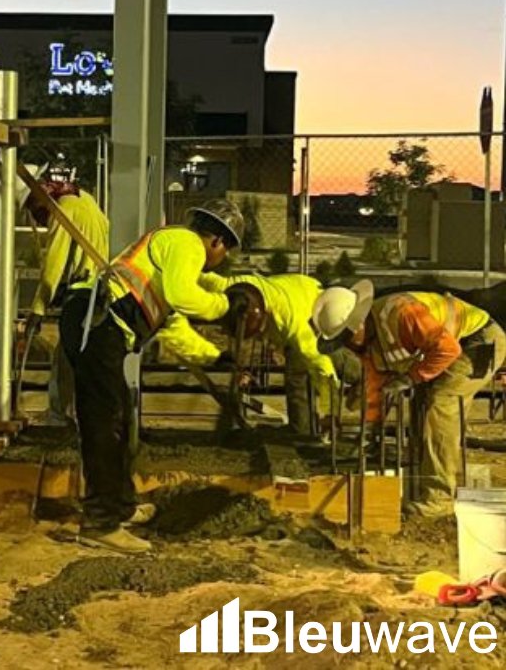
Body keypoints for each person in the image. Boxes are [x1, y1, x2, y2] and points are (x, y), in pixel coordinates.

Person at [58, 198, 245, 553]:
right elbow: (185, 294)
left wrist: (217, 356)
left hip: (94, 321)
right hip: (97, 324)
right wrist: (223, 307)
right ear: (218, 241)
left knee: (120, 419)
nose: (221, 259)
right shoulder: (187, 243)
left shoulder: (171, 256)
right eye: (226, 252)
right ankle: (101, 522)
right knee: (105, 423)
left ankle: (120, 505)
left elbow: (175, 328)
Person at [313, 280, 506, 516]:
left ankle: (440, 498)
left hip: (479, 341)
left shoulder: (403, 312)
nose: (348, 346)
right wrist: (369, 432)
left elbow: (448, 350)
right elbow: (375, 388)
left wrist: (411, 377)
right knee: (420, 403)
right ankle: (420, 481)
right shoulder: (369, 344)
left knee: (440, 404)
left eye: (346, 337)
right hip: (448, 349)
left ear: (359, 324)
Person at [21, 163, 109, 424]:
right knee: (72, 355)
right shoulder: (84, 199)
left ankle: (61, 415)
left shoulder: (62, 211)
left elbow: (54, 265)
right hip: (100, 287)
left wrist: (37, 310)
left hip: (83, 291)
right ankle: (66, 412)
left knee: (70, 357)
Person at [203, 272, 340, 435]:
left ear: (267, 315)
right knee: (297, 370)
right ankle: (301, 428)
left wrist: (330, 412)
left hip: (315, 307)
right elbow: (199, 277)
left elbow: (322, 367)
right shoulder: (234, 287)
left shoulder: (298, 329)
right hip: (296, 290)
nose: (259, 338)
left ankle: (302, 431)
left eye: (260, 333)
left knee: (299, 370)